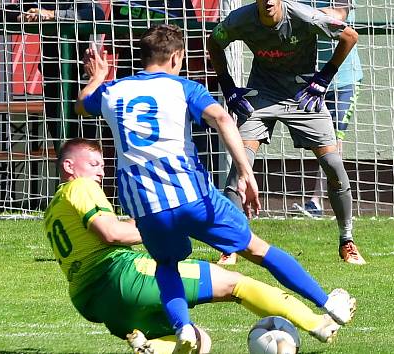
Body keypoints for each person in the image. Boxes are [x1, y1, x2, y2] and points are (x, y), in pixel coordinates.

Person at [75, 24, 355, 353]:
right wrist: (246, 172)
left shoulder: (112, 91)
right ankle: (327, 303)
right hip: (193, 195)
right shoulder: (183, 88)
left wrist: (99, 75)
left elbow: (81, 104)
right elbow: (222, 119)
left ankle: (184, 329)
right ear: (176, 57)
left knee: (167, 266)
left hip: (146, 204)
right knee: (257, 250)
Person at [44, 138, 350, 353]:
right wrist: (160, 224)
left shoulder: (52, 210)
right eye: (93, 164)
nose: (100, 171)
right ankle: (318, 324)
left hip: (92, 301)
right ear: (69, 166)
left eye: (102, 165)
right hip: (121, 276)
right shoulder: (80, 187)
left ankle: (151, 349)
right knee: (236, 283)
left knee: (198, 342)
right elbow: (111, 233)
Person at [207, 0, 366, 266]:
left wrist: (323, 78)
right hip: (261, 96)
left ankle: (346, 240)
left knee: (333, 163)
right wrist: (229, 88)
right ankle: (230, 245)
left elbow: (350, 35)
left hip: (304, 96)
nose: (268, 1)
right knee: (240, 167)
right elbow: (214, 41)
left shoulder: (305, 16)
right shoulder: (240, 20)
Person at [300, 0, 365, 266]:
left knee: (334, 142)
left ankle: (319, 200)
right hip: (310, 77)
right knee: (316, 140)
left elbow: (339, 15)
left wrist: (307, 14)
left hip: (344, 78)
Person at [0, 0, 106, 141]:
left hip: (85, 81)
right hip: (53, 81)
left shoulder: (83, 3)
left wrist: (52, 15)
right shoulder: (43, 3)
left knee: (85, 143)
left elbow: (96, 13)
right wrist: (23, 16)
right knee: (59, 141)